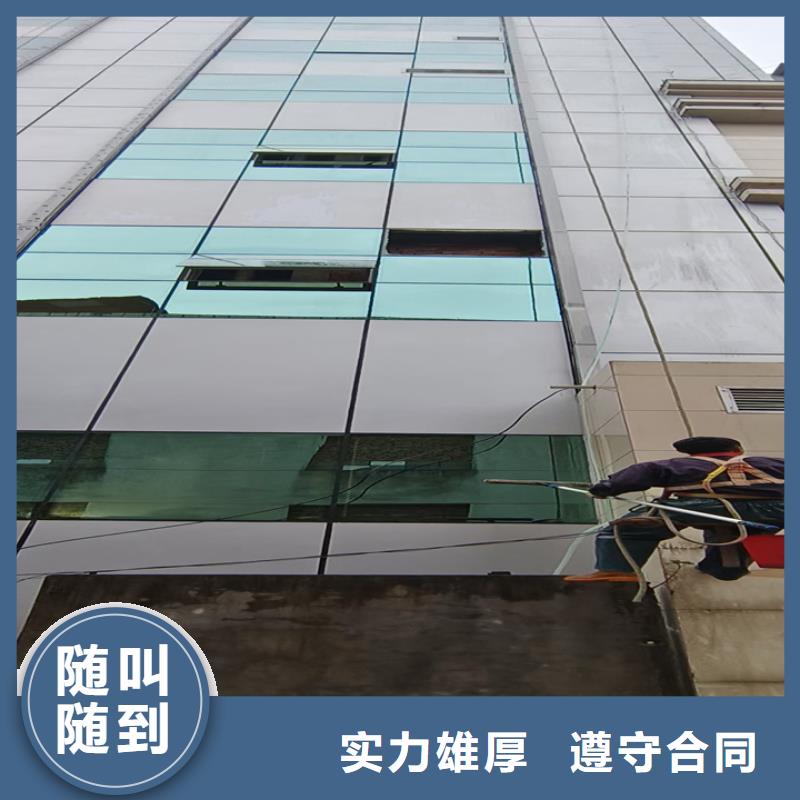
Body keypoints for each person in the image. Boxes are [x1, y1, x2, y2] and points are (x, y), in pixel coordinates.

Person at [564, 436, 783, 583]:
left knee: (626, 528)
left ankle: (617, 571)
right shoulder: (772, 463)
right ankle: (726, 569)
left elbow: (645, 472)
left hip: (714, 508)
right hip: (779, 510)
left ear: (695, 454)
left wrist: (605, 488)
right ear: (737, 451)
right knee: (731, 533)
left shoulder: (687, 465)